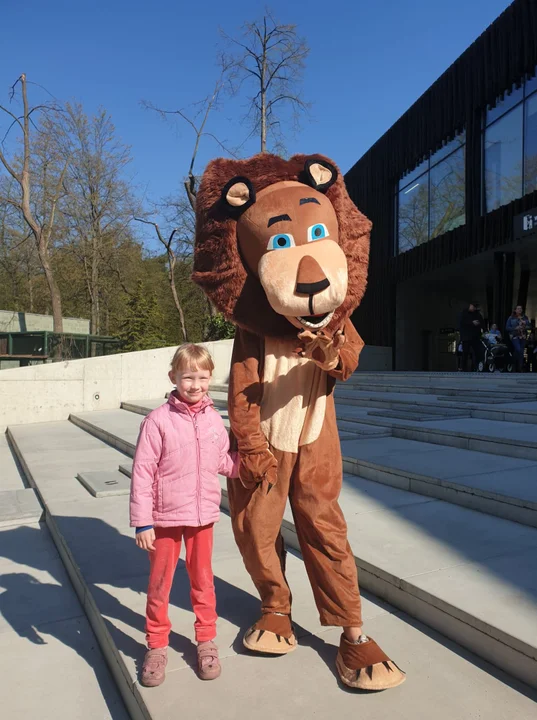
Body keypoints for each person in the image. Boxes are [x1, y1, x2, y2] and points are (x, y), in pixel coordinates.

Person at [129, 344, 239, 686]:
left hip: (202, 516)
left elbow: (222, 461)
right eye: (188, 377)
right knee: (160, 584)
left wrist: (248, 465)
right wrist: (142, 521)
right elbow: (142, 472)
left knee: (202, 581)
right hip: (162, 518)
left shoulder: (213, 421)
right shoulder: (157, 421)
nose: (195, 384)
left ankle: (206, 641)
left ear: (210, 379)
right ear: (173, 377)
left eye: (202, 377)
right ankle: (157, 645)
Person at [458, 302, 484, 371]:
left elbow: (481, 322)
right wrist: (472, 323)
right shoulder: (464, 313)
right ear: (470, 306)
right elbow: (462, 322)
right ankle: (463, 368)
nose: (473, 309)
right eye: (473, 307)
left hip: (475, 336)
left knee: (477, 352)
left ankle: (476, 367)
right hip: (466, 337)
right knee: (465, 353)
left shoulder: (477, 314)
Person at [506, 305, 531, 372]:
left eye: (521, 308)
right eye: (518, 308)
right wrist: (515, 328)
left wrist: (525, 325)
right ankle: (513, 364)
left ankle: (519, 367)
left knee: (521, 352)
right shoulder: (511, 318)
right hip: (514, 336)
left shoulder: (525, 317)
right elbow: (507, 328)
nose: (520, 310)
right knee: (518, 349)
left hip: (523, 336)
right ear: (515, 310)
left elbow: (529, 327)